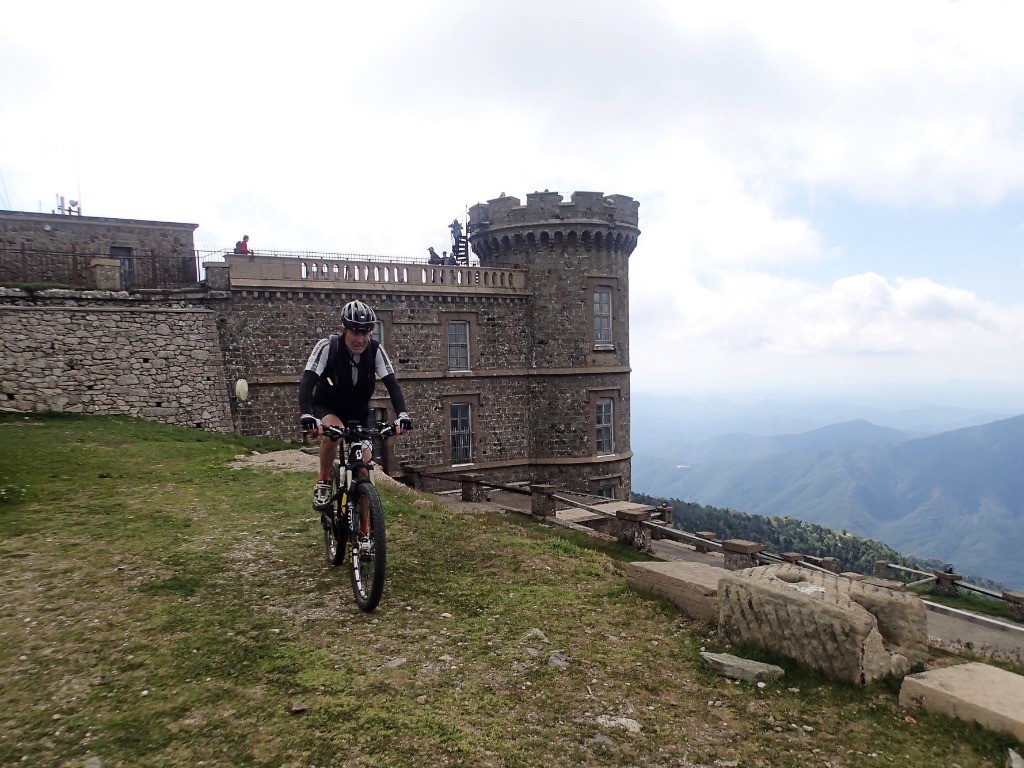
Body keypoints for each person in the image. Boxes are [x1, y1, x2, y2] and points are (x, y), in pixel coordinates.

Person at [298, 300, 411, 510]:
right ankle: (323, 479)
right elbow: (307, 383)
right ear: (342, 330)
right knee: (336, 433)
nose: (360, 339)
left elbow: (392, 385)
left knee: (365, 471)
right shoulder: (327, 347)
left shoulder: (376, 350)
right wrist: (306, 414)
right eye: (355, 333)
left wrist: (402, 415)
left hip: (358, 412)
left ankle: (366, 533)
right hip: (328, 406)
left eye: (365, 334)